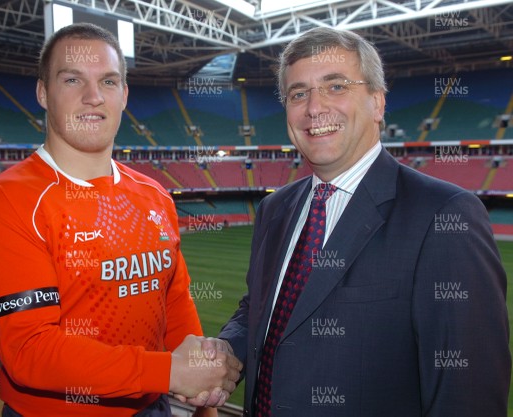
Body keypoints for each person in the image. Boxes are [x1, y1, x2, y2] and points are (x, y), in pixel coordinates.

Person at [216, 27, 510, 416]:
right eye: (298, 93)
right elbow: (259, 310)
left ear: (377, 103)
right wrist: (223, 353)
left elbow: (466, 395)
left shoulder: (444, 215)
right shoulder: (276, 209)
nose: (314, 107)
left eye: (335, 86)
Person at [0, 23, 241, 417]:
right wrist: (169, 372)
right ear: (43, 92)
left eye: (108, 82)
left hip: (153, 406)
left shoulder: (155, 194)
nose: (93, 97)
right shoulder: (5, 202)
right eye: (73, 79)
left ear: (124, 95)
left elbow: (174, 305)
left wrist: (204, 404)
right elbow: (30, 351)